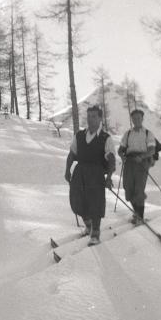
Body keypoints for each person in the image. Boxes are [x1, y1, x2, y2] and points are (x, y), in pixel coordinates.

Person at [64, 105, 117, 246]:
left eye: (94, 116)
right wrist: (67, 169)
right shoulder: (79, 136)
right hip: (79, 172)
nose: (90, 119)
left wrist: (109, 177)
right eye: (88, 116)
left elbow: (111, 159)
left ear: (100, 118)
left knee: (95, 203)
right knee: (77, 201)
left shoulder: (105, 138)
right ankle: (88, 226)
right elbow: (72, 154)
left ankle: (95, 234)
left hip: (96, 174)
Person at [119, 109, 157, 225]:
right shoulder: (128, 134)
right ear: (132, 119)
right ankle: (136, 213)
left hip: (142, 162)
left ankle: (140, 216)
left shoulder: (147, 133)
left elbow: (152, 150)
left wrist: (142, 157)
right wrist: (122, 156)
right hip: (129, 162)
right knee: (128, 188)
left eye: (138, 118)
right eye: (134, 118)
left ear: (142, 119)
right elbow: (121, 149)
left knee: (139, 189)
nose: (136, 120)